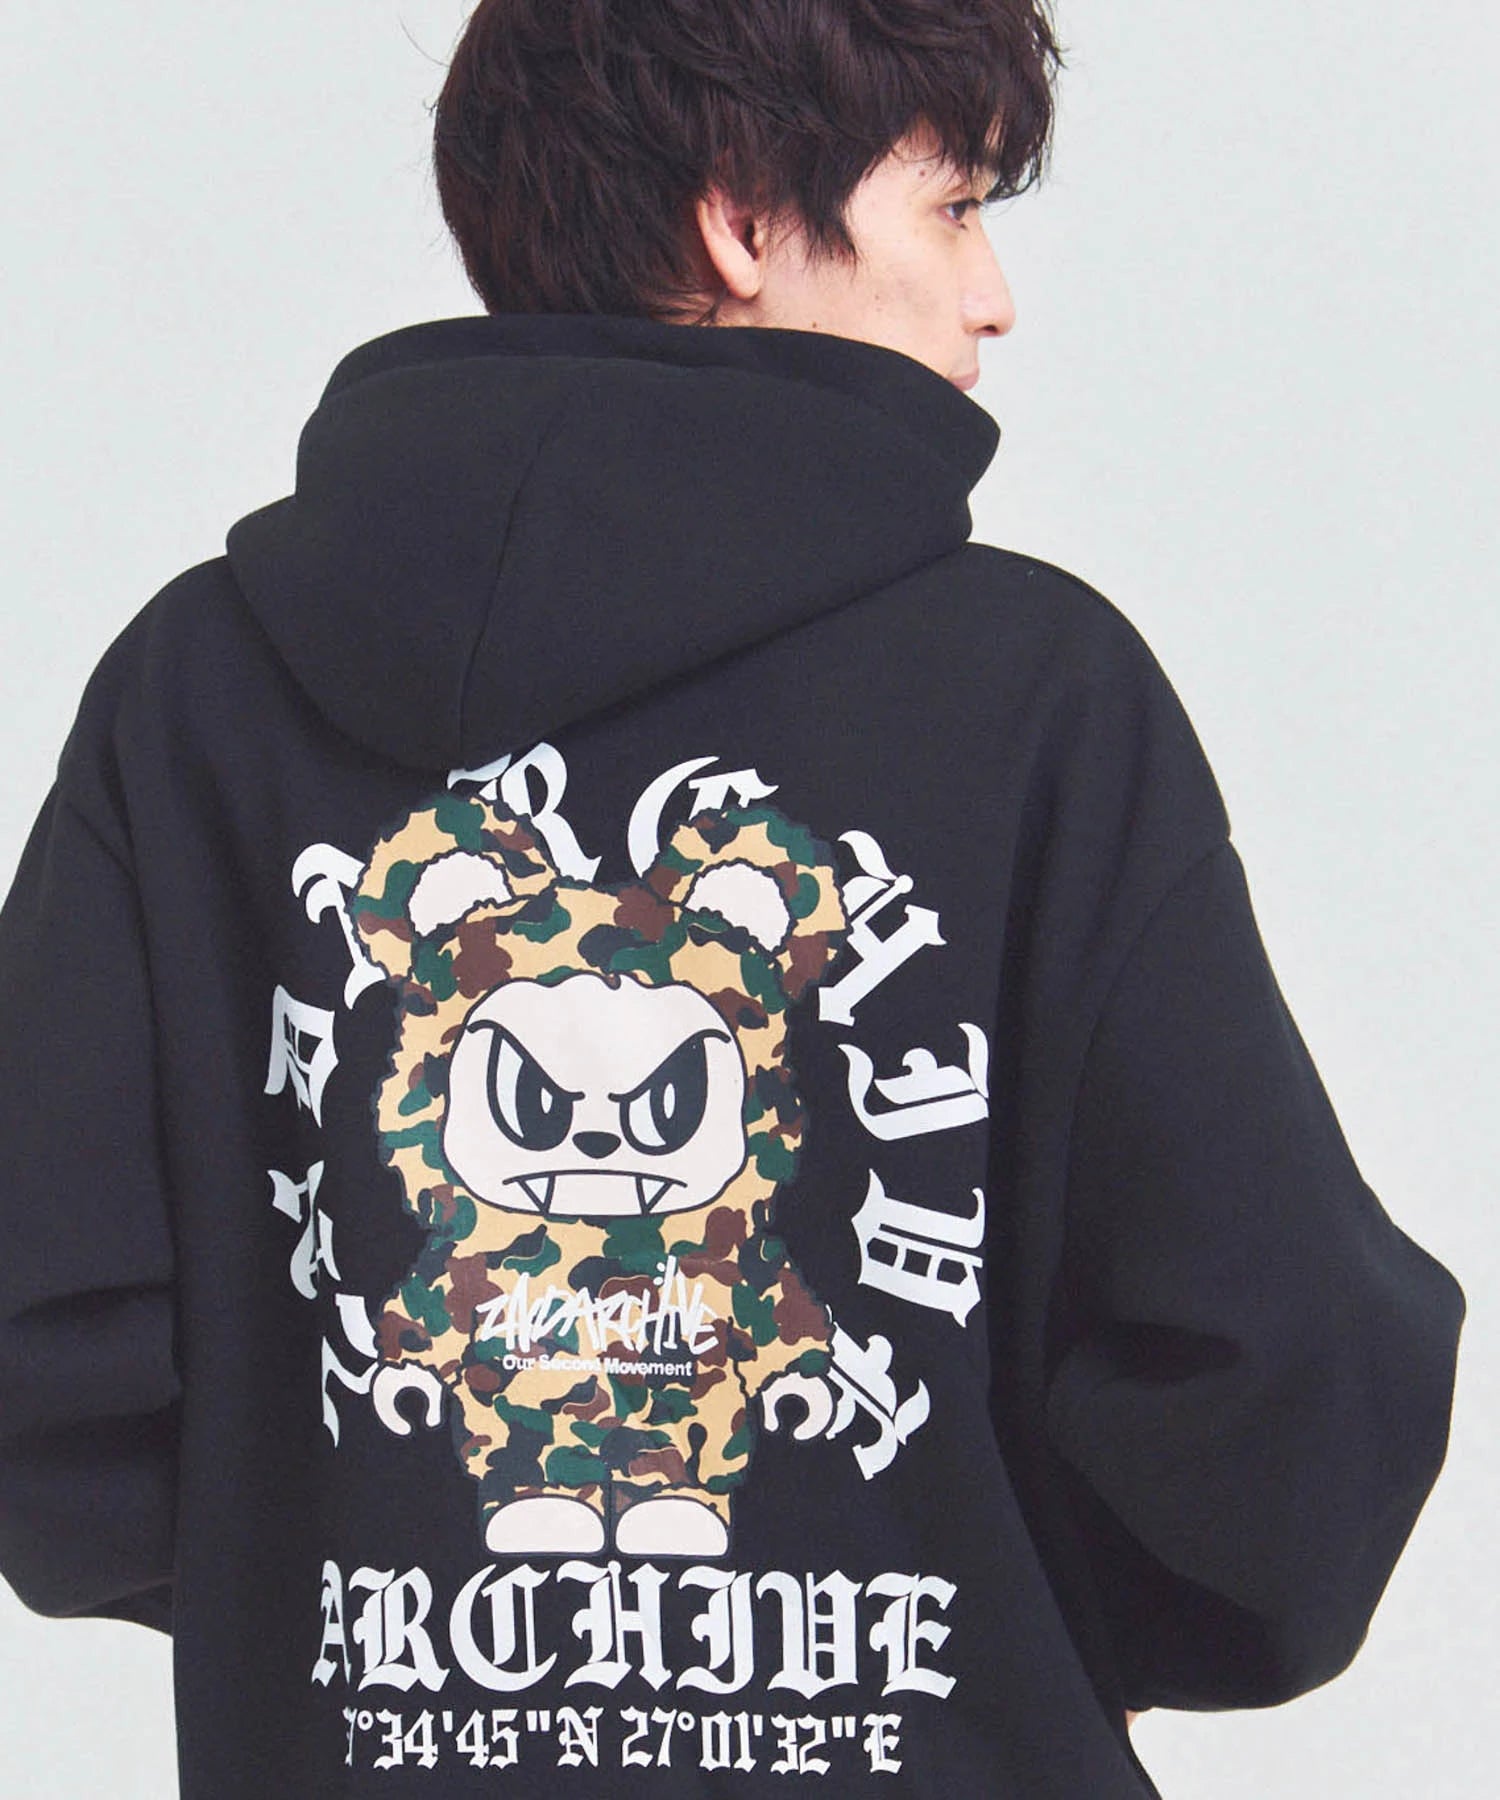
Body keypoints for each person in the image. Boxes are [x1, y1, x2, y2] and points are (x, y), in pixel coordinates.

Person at [0, 2, 1463, 1796]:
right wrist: (1006, 1613)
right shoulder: (1032, 695)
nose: (995, 295)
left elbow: (41, 1353)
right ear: (748, 216)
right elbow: (1283, 1375)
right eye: (953, 208)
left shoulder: (197, 693)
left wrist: (327, 1569)